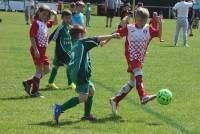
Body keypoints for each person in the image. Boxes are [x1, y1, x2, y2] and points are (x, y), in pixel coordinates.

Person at [53, 25, 120, 124]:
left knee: (91, 91)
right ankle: (59, 108)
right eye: (84, 34)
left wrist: (111, 36)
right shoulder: (82, 42)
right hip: (81, 74)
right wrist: (113, 36)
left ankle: (87, 114)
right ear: (80, 34)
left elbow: (100, 43)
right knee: (83, 97)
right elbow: (96, 38)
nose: (85, 35)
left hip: (78, 73)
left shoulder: (75, 43)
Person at [110, 7, 162, 115]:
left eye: (144, 20)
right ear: (135, 19)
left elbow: (159, 34)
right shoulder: (129, 28)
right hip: (131, 56)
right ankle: (143, 96)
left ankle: (115, 100)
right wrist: (105, 40)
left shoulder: (148, 28)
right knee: (138, 71)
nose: (142, 23)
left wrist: (160, 23)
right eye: (140, 20)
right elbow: (116, 33)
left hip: (140, 57)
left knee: (132, 82)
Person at [22, 5, 58, 97]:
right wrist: (35, 49)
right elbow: (32, 37)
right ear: (38, 13)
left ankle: (28, 82)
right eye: (43, 14)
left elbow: (55, 23)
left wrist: (55, 14)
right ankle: (34, 92)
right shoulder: (36, 23)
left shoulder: (45, 23)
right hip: (37, 50)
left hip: (43, 51)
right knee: (39, 71)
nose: (45, 16)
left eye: (47, 15)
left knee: (47, 69)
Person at [47, 10, 76, 90]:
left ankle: (50, 83)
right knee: (69, 66)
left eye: (70, 18)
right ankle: (70, 84)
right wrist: (45, 47)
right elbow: (51, 37)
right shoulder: (61, 27)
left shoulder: (68, 27)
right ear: (62, 18)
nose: (68, 20)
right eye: (66, 18)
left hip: (65, 51)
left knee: (56, 66)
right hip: (62, 52)